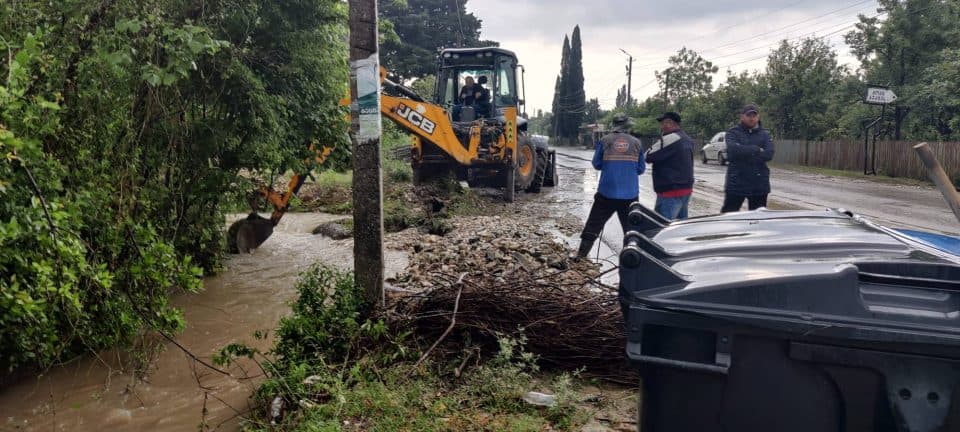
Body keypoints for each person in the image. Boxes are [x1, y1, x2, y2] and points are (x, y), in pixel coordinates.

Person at [573, 114, 645, 260]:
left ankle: (580, 255)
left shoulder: (605, 140)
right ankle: (633, 259)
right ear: (628, 125)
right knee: (632, 230)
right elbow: (641, 169)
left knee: (594, 224)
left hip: (606, 192)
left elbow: (596, 164)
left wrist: (610, 166)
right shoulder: (637, 143)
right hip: (630, 195)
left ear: (614, 124)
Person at [721, 103, 775, 212]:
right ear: (742, 117)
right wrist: (756, 149)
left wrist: (743, 151)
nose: (751, 118)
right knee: (729, 216)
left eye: (754, 115)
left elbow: (769, 154)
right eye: (748, 115)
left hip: (759, 184)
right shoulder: (733, 132)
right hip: (736, 183)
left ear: (758, 117)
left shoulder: (765, 134)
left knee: (757, 218)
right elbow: (733, 150)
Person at [646, 111, 695, 220]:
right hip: (686, 189)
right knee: (680, 225)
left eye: (663, 123)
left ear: (670, 123)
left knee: (661, 225)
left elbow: (648, 156)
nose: (661, 127)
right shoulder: (687, 139)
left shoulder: (670, 138)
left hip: (670, 191)